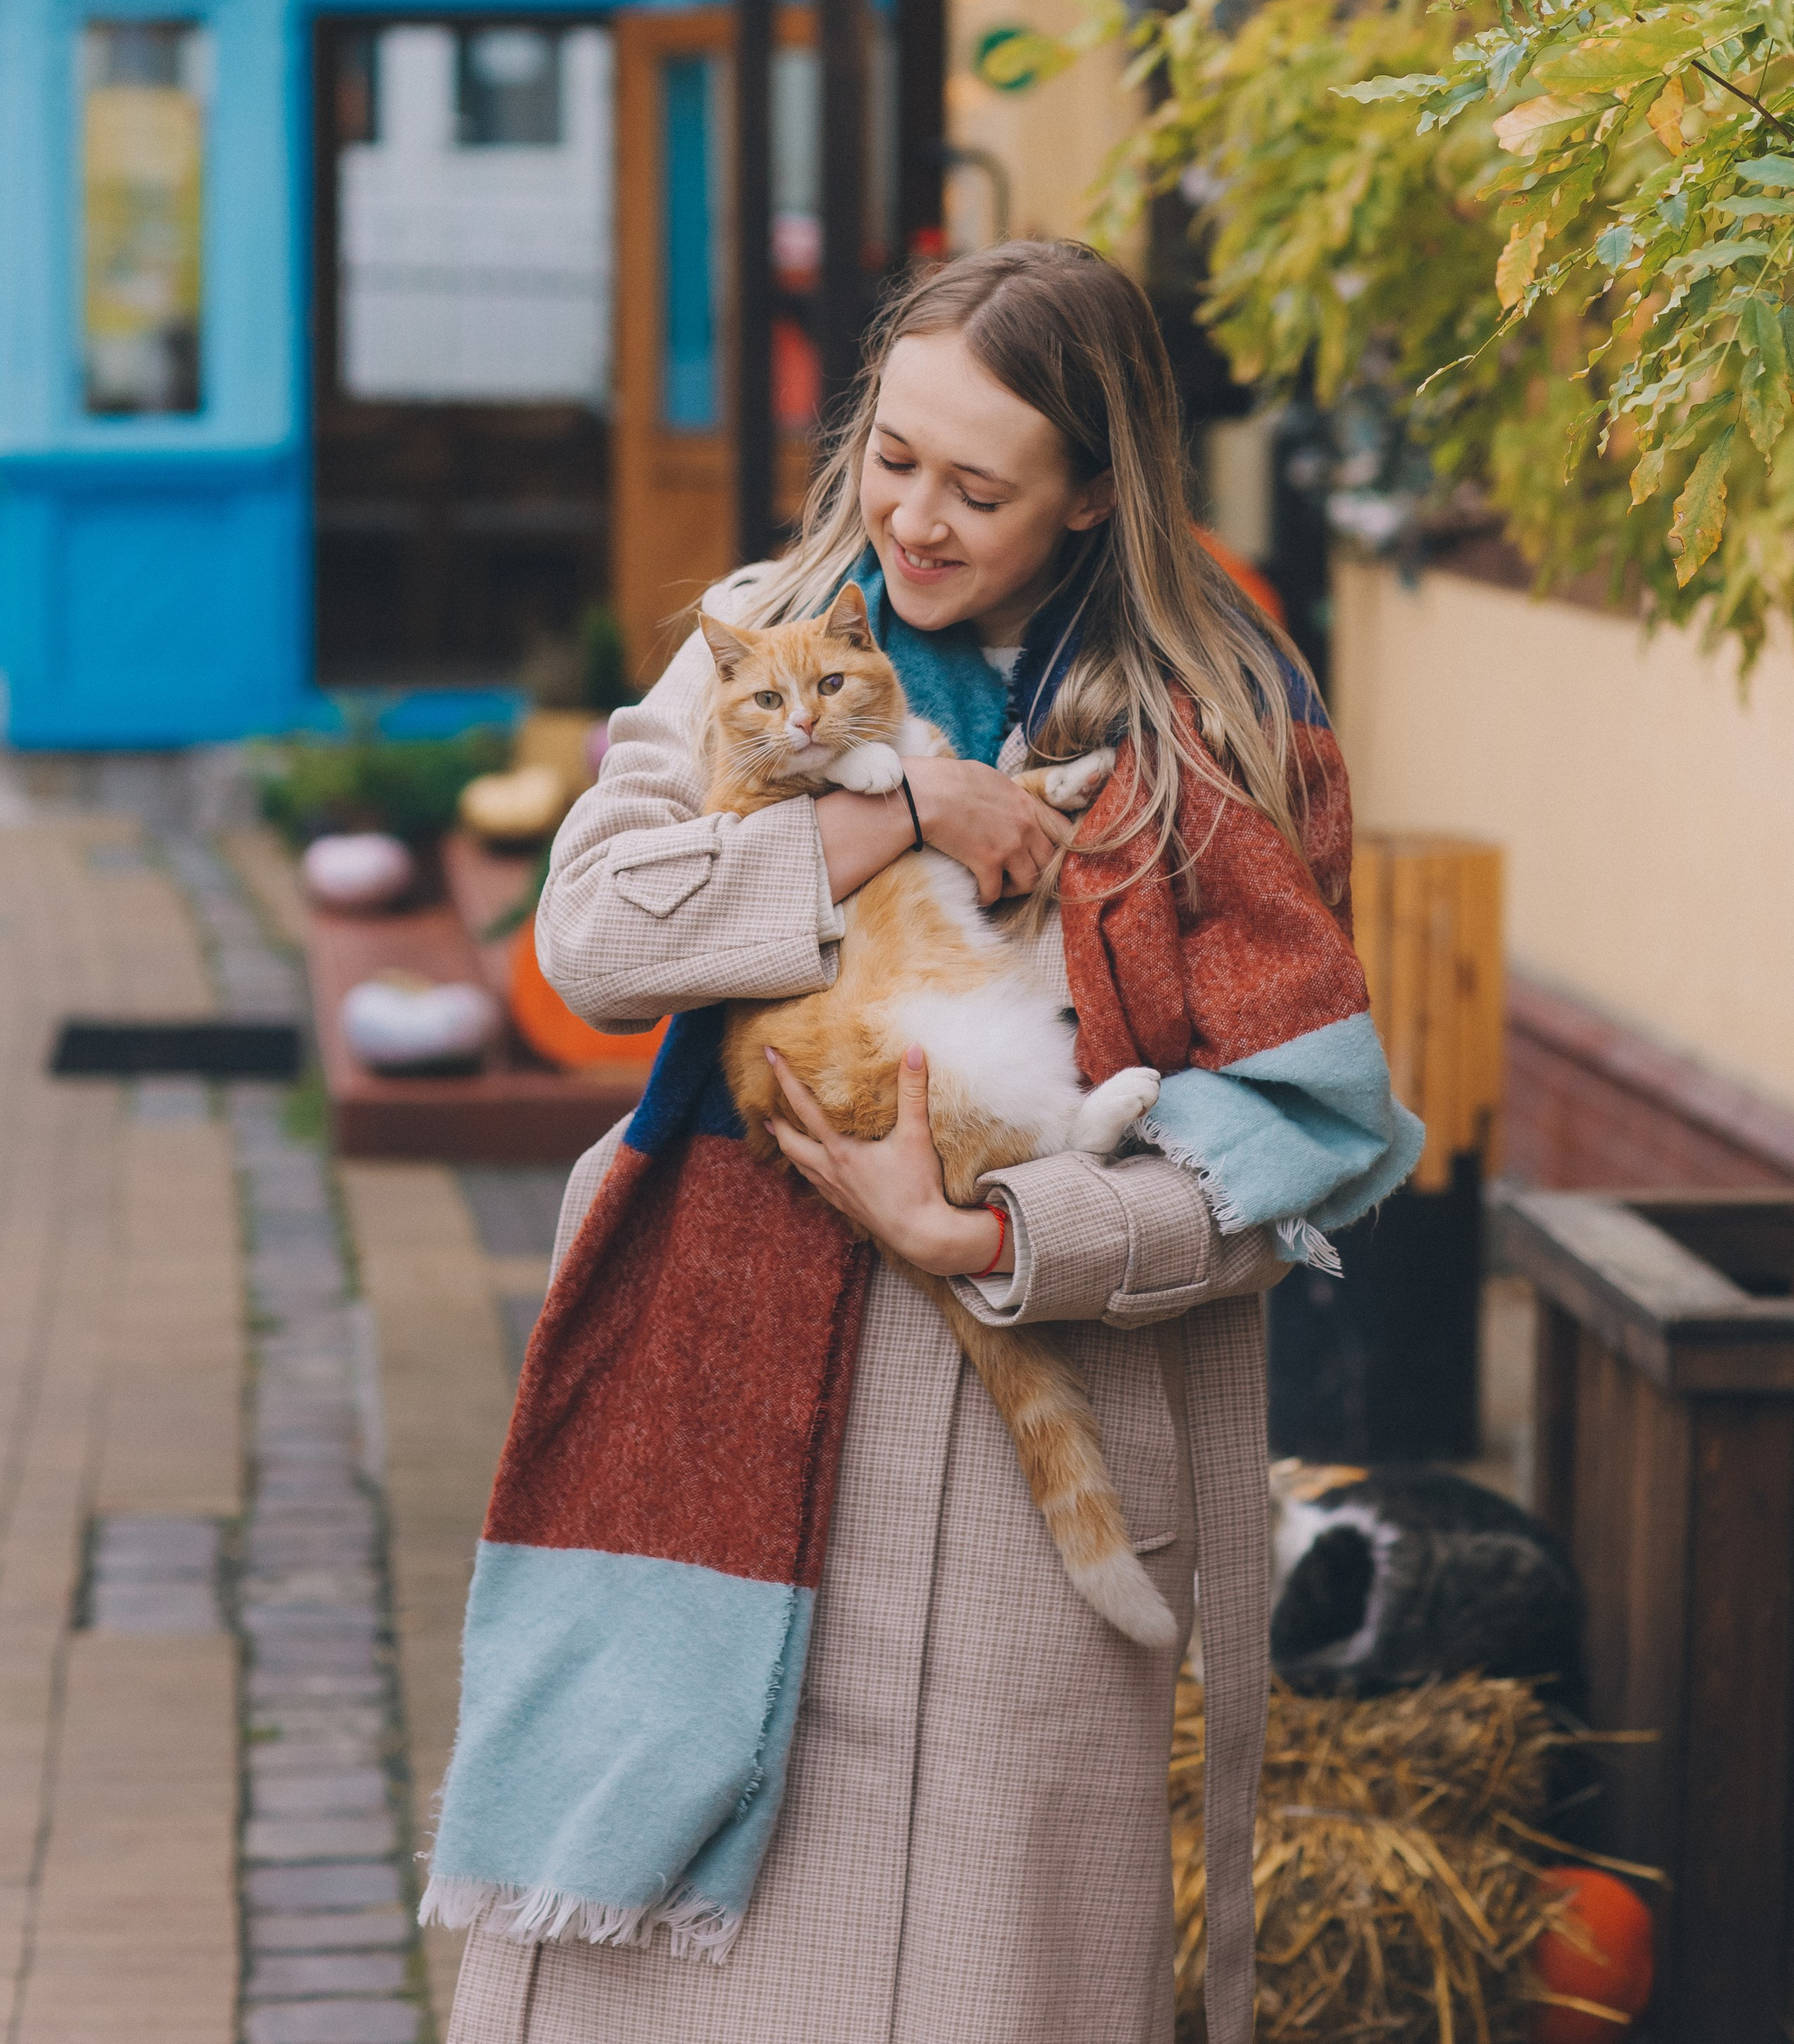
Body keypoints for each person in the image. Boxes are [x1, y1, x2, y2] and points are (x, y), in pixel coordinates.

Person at [441, 239, 1412, 2044]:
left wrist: (1000, 1238)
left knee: (979, 1973)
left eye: (980, 489)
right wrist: (896, 803)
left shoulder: (1214, 740)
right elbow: (595, 938)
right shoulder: (766, 633)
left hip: (1034, 1456)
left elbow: (1278, 1157)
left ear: (1098, 493)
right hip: (720, 1397)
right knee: (663, 1960)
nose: (914, 521)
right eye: (893, 458)